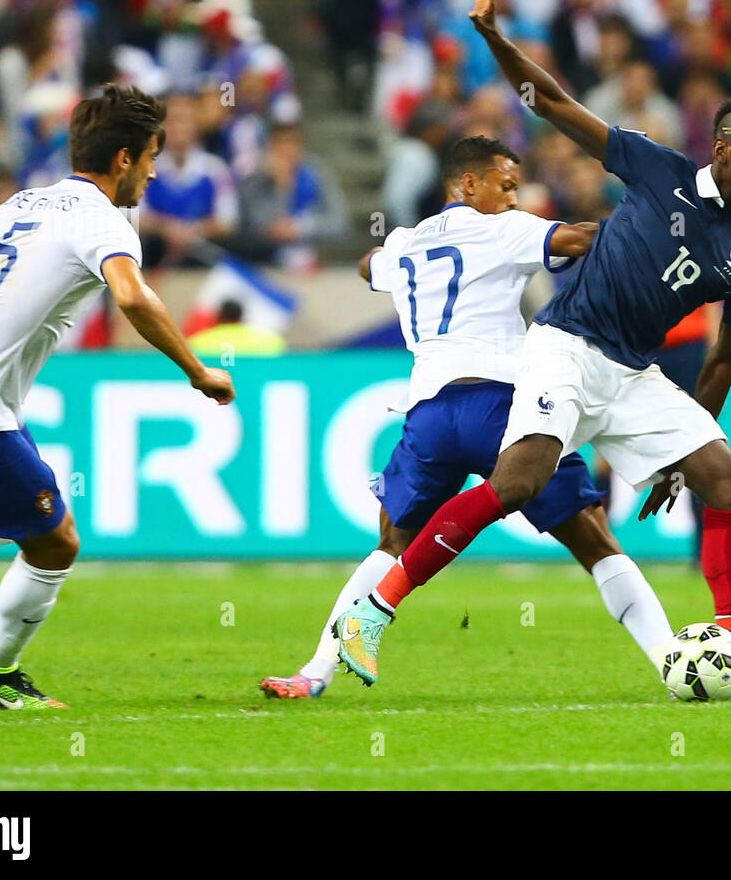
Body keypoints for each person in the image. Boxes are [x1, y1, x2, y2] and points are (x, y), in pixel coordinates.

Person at [336, 0, 731, 702]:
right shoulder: (657, 169)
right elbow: (554, 103)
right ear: (723, 145)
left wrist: (683, 451)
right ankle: (377, 606)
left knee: (730, 482)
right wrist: (493, 38)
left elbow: (723, 357)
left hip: (633, 376)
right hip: (564, 348)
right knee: (516, 481)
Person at [259, 136, 673, 698]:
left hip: (429, 413)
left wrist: (391, 259)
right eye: (504, 186)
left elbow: (366, 266)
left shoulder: (405, 241)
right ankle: (676, 665)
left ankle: (313, 673)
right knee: (597, 542)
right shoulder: (506, 228)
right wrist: (658, 217)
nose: (513, 197)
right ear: (468, 185)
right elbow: (585, 240)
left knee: (391, 544)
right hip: (503, 406)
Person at [0, 84, 235, 709]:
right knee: (56, 540)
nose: (153, 173)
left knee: (16, 511)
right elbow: (131, 296)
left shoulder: (21, 203)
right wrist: (197, 370)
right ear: (124, 158)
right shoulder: (103, 220)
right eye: (151, 156)